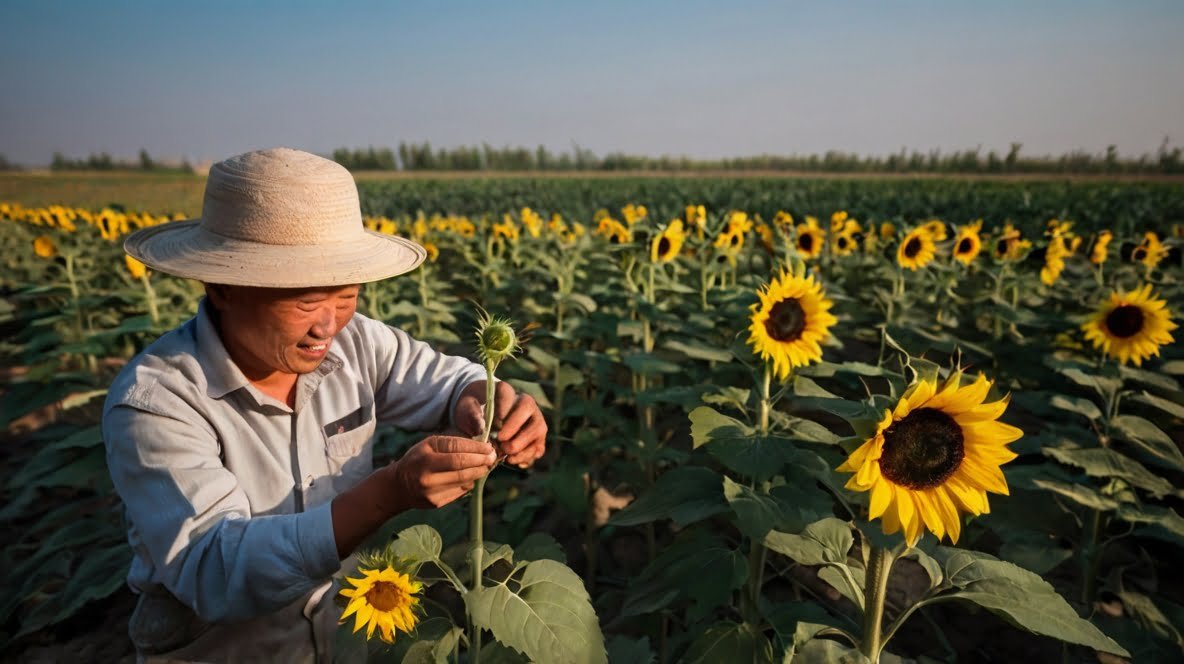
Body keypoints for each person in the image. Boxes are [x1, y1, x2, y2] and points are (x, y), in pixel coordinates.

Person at [102, 147, 547, 662]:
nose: (328, 324)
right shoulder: (159, 402)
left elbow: (442, 378)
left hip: (344, 642)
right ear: (222, 287)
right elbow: (215, 569)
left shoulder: (353, 342)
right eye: (306, 301)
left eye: (348, 295)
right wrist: (388, 493)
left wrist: (486, 398)